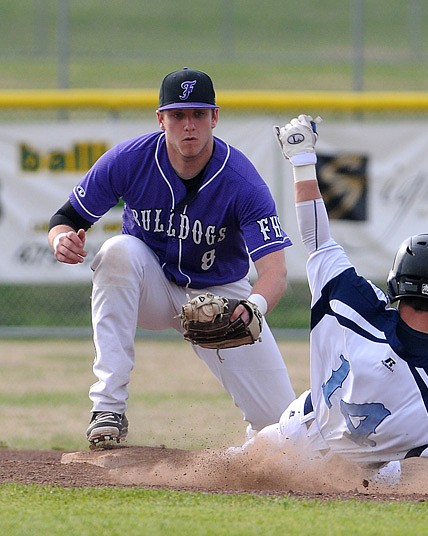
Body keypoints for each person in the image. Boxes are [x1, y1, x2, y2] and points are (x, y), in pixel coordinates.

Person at [238, 114, 428, 487]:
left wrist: (302, 162)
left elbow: (317, 237)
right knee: (399, 474)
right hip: (352, 477)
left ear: (396, 283)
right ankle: (380, 475)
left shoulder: (356, 305)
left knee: (234, 465)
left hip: (294, 440)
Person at [47, 68, 296, 449]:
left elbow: (275, 271)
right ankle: (108, 408)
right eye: (178, 115)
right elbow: (66, 219)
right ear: (160, 119)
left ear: (215, 117)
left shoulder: (242, 181)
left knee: (283, 427)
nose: (189, 125)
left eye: (198, 113)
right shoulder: (130, 160)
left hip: (220, 296)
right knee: (117, 251)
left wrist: (252, 307)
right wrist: (61, 239)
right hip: (153, 287)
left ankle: (247, 457)